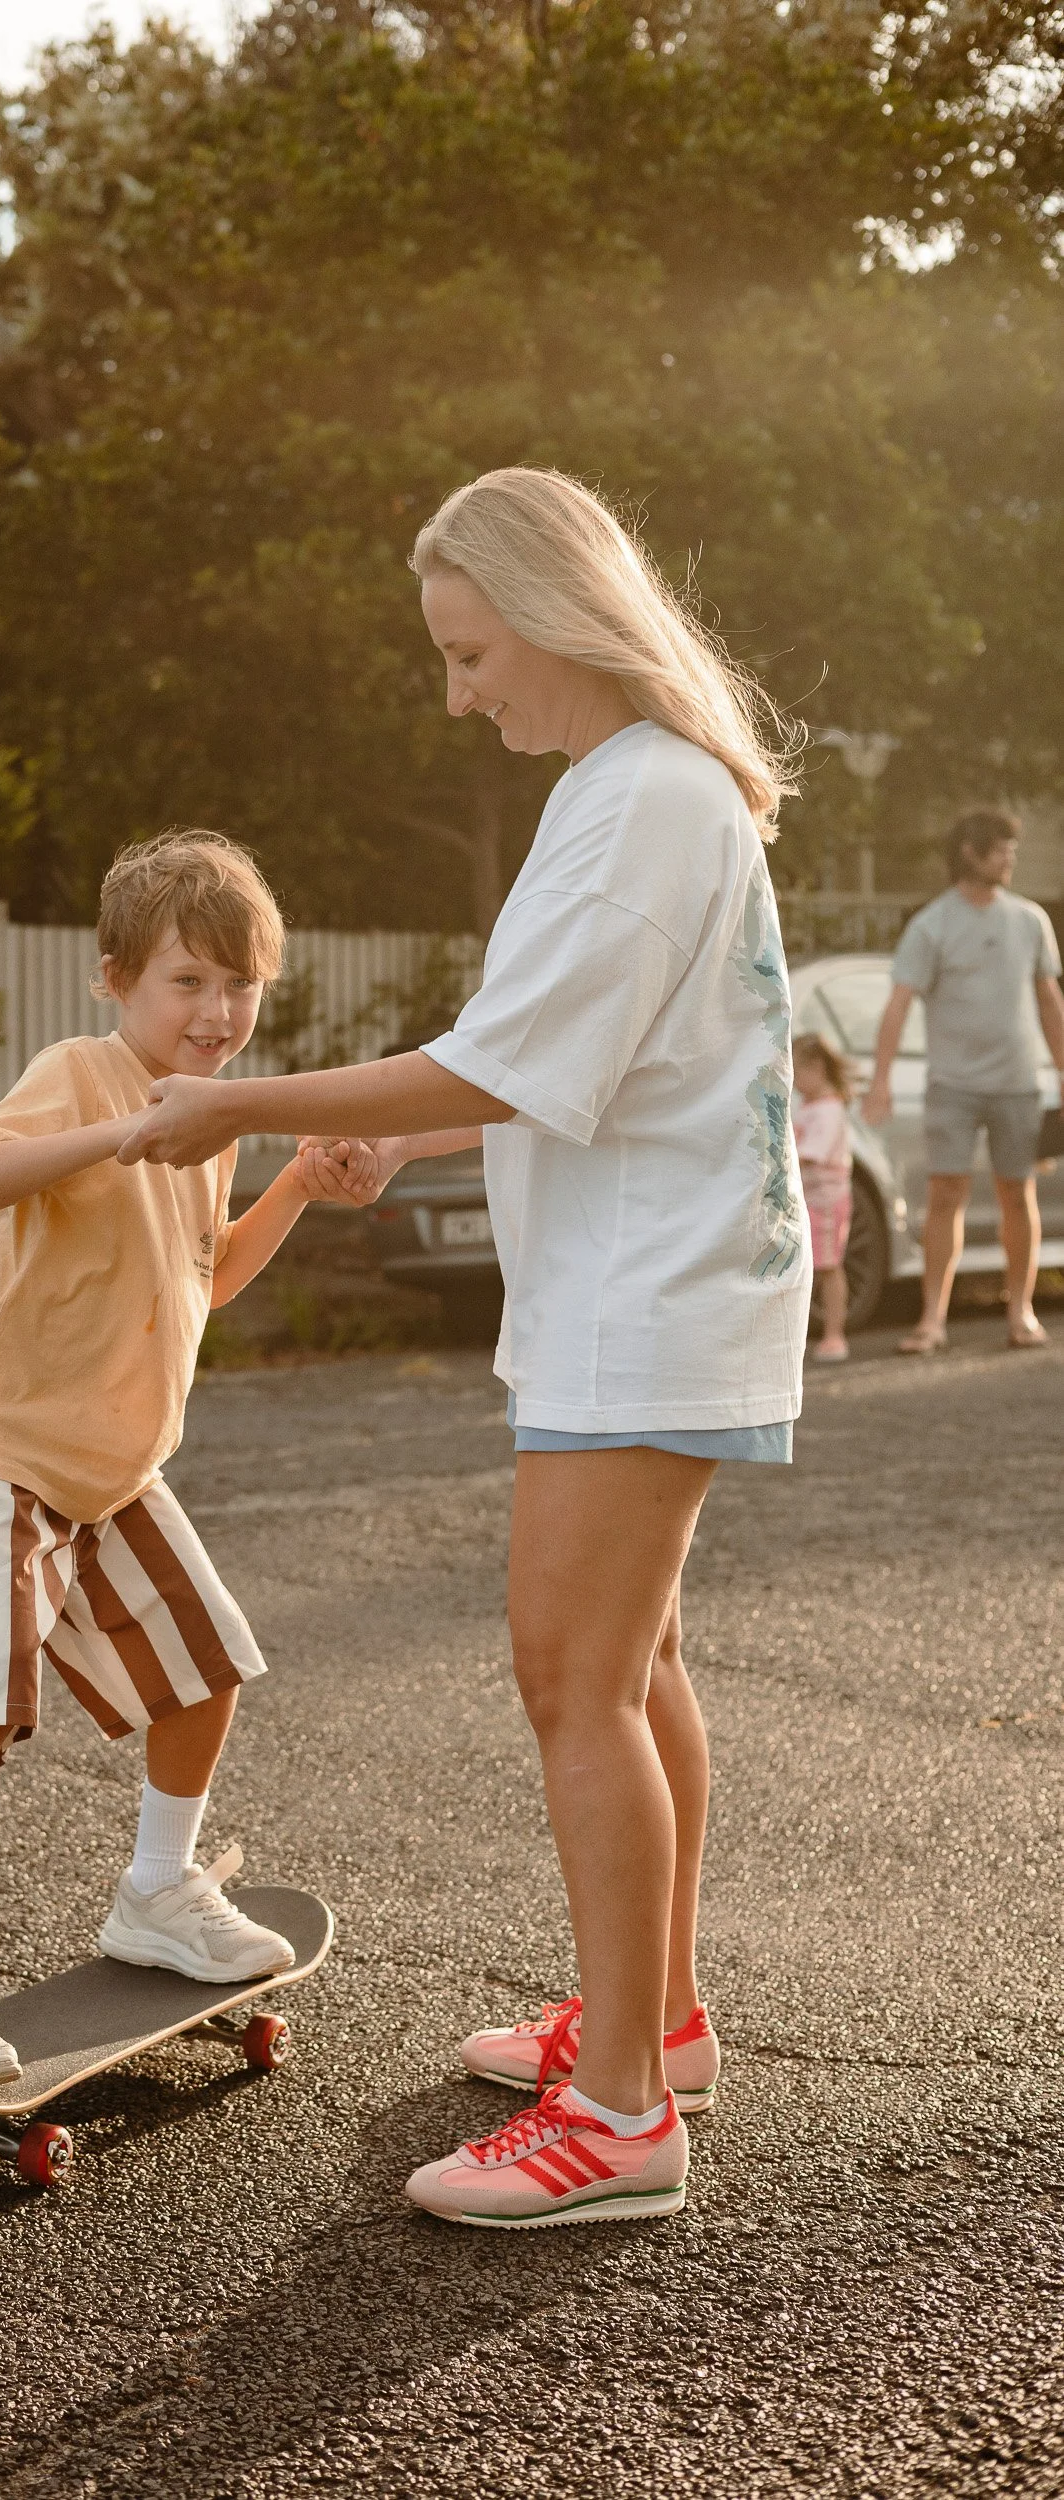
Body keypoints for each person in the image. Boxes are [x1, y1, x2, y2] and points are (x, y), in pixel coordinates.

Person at [121, 466, 812, 2231]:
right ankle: (651, 2025)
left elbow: (513, 1065)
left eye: (469, 650)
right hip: (649, 1281)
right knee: (633, 1664)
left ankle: (620, 2118)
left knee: (570, 1675)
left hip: (644, 1297)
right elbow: (545, 1049)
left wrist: (233, 1105)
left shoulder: (645, 798)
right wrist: (400, 1136)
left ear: (555, 617)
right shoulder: (633, 792)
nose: (457, 691)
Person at [0, 831, 376, 2093]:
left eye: (239, 985)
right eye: (185, 982)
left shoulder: (217, 1123)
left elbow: (203, 1284)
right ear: (115, 982)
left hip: (111, 1462)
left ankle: (155, 1890)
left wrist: (296, 1183)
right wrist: (110, 1135)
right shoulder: (82, 1072)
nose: (216, 1012)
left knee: (206, 1667)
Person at [863, 808, 1064, 1355]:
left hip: (1019, 1083)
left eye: (1012, 850)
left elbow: (1049, 999)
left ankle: (1020, 1312)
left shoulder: (1029, 920)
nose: (1010, 859)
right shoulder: (931, 924)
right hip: (952, 1085)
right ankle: (932, 1319)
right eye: (1000, 849)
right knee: (945, 1193)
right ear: (971, 854)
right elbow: (898, 1004)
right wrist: (880, 1081)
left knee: (1015, 1192)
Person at [793, 1032, 855, 1362]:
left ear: (817, 1068)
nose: (794, 1082)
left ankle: (835, 1334)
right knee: (813, 1265)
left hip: (827, 1202)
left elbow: (810, 1153)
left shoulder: (829, 1111)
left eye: (798, 1073)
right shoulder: (809, 1107)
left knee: (829, 1266)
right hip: (809, 1198)